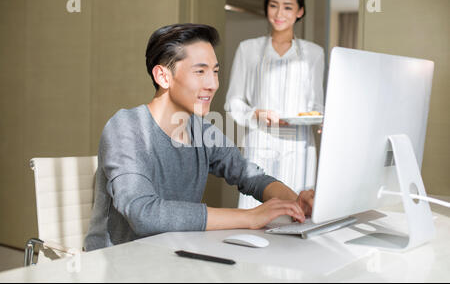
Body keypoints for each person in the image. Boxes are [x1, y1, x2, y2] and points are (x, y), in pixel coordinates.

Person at [84, 23, 314, 251]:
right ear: (163, 77)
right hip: (118, 266)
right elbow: (144, 213)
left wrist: (294, 202)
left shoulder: (203, 131)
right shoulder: (127, 128)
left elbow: (250, 176)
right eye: (200, 71)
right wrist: (249, 217)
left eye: (215, 71)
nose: (213, 84)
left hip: (173, 258)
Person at [224, 0, 325, 209]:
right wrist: (255, 113)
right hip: (261, 141)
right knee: (254, 210)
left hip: (299, 146)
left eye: (288, 7)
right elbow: (233, 102)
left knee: (297, 210)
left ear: (300, 11)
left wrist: (320, 119)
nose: (279, 14)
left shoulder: (314, 54)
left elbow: (317, 104)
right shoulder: (247, 49)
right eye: (273, 6)